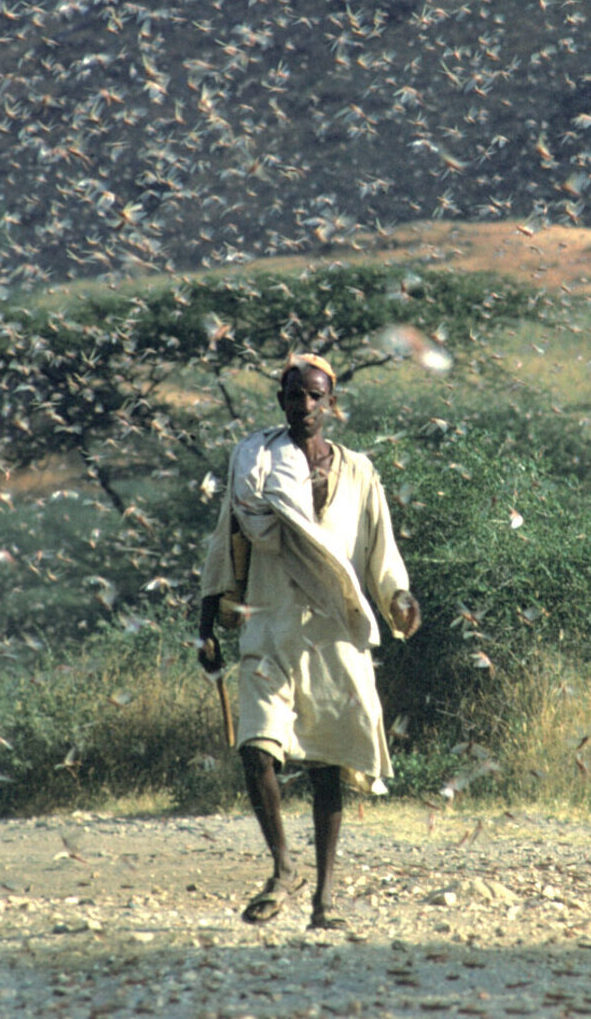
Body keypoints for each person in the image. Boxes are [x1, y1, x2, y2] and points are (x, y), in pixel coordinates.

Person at [196, 354, 421, 929]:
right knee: (256, 749)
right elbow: (227, 542)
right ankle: (282, 867)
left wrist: (398, 599)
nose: (305, 407)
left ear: (331, 401)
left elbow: (380, 551)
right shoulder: (254, 465)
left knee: (327, 769)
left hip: (333, 634)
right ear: (282, 399)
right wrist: (206, 627)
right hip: (268, 627)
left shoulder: (360, 472)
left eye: (315, 397)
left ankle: (324, 901)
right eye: (295, 396)